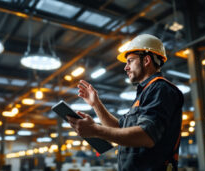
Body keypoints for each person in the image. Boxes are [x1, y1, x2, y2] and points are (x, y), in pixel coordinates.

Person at [66, 34, 184, 171]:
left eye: (130, 61)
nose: (125, 67)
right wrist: (96, 104)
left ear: (146, 60)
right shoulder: (145, 93)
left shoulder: (160, 89)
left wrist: (95, 130)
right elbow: (119, 130)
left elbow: (146, 136)